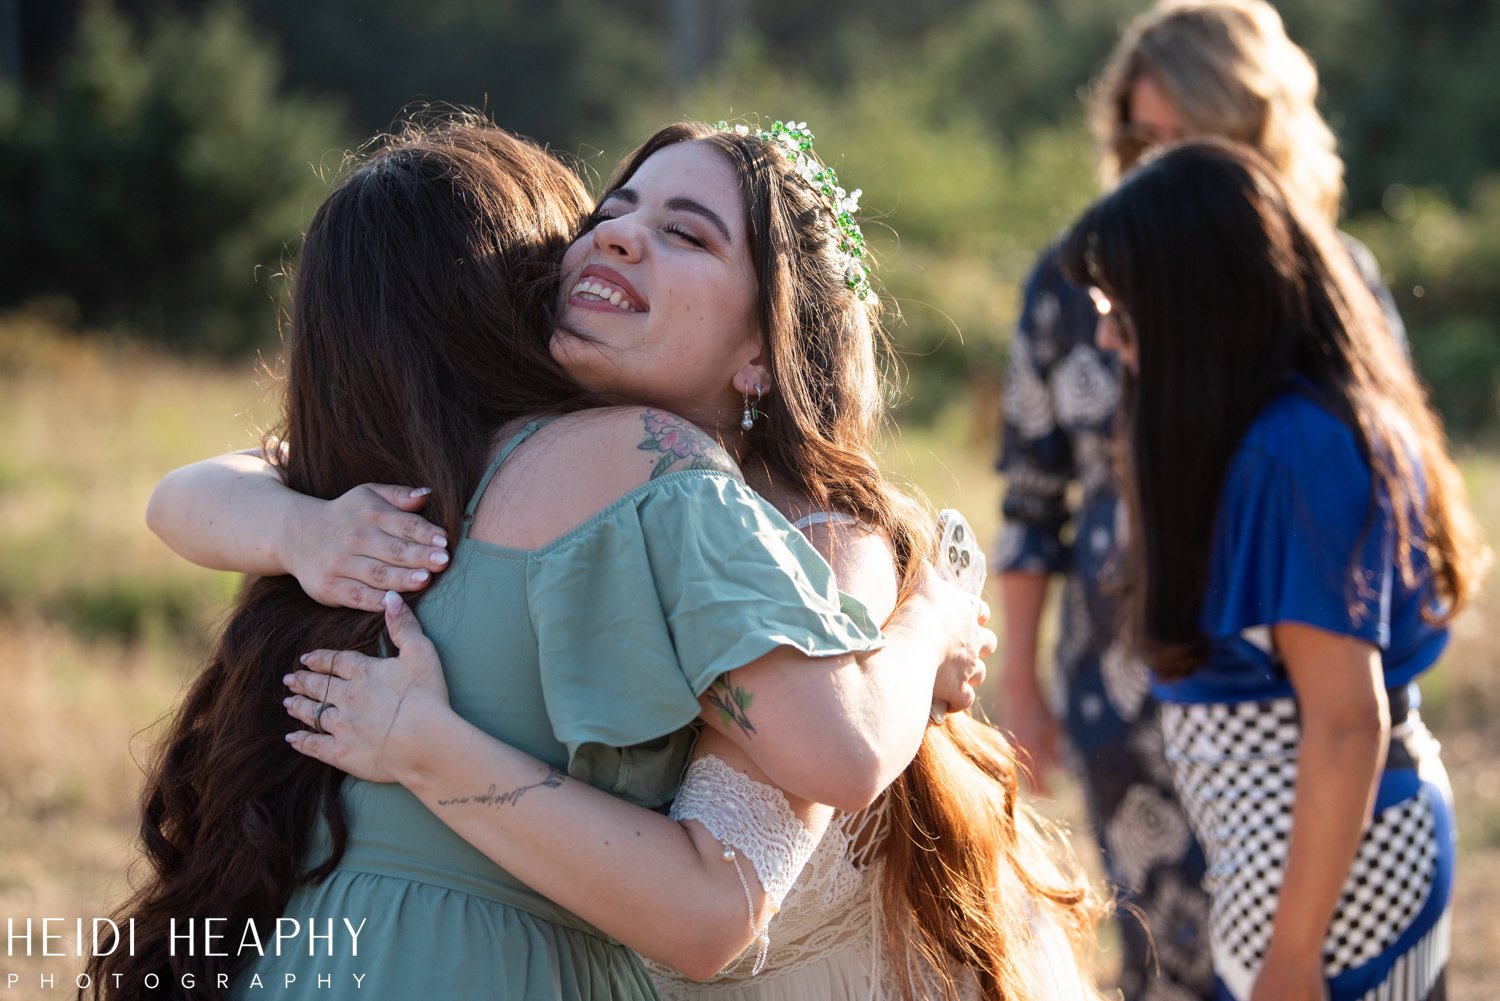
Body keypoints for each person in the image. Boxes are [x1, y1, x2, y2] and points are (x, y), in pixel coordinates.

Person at [131, 116, 1104, 1000]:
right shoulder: (486, 453)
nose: (619, 233)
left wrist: (928, 609)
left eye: (689, 233)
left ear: (761, 350)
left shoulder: (812, 532)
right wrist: (306, 529)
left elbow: (828, 761)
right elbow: (190, 490)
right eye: (612, 211)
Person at [993, 3, 1406, 995]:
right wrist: (1020, 681)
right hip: (1126, 679)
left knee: (1306, 954)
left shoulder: (1334, 276)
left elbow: (1387, 481)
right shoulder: (1074, 279)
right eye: (1138, 135)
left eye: (1185, 136)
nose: (1152, 159)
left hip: (1300, 681)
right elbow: (1031, 496)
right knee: (1167, 959)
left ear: (1258, 128)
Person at [1059, 137, 1486, 1001]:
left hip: (1330, 871)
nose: (1106, 331)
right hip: (1312, 856)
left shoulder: (1295, 451)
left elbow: (1344, 722)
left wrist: (1292, 957)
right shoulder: (1292, 430)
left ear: (1201, 306)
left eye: (1123, 306)